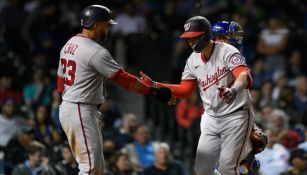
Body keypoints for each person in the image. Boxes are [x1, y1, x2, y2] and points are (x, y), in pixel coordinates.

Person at [57, 5, 174, 175]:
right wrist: (152, 91)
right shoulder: (95, 51)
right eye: (106, 24)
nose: (109, 28)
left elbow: (61, 81)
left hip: (73, 107)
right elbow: (123, 79)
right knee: (90, 169)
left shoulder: (70, 44)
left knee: (96, 168)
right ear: (95, 24)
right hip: (80, 109)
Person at [140, 16, 255, 175]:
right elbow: (185, 90)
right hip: (211, 117)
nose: (190, 42)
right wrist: (156, 85)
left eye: (194, 37)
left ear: (205, 35)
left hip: (236, 114)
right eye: (188, 38)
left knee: (227, 168)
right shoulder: (192, 60)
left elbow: (243, 74)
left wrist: (234, 89)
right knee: (202, 170)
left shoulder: (227, 50)